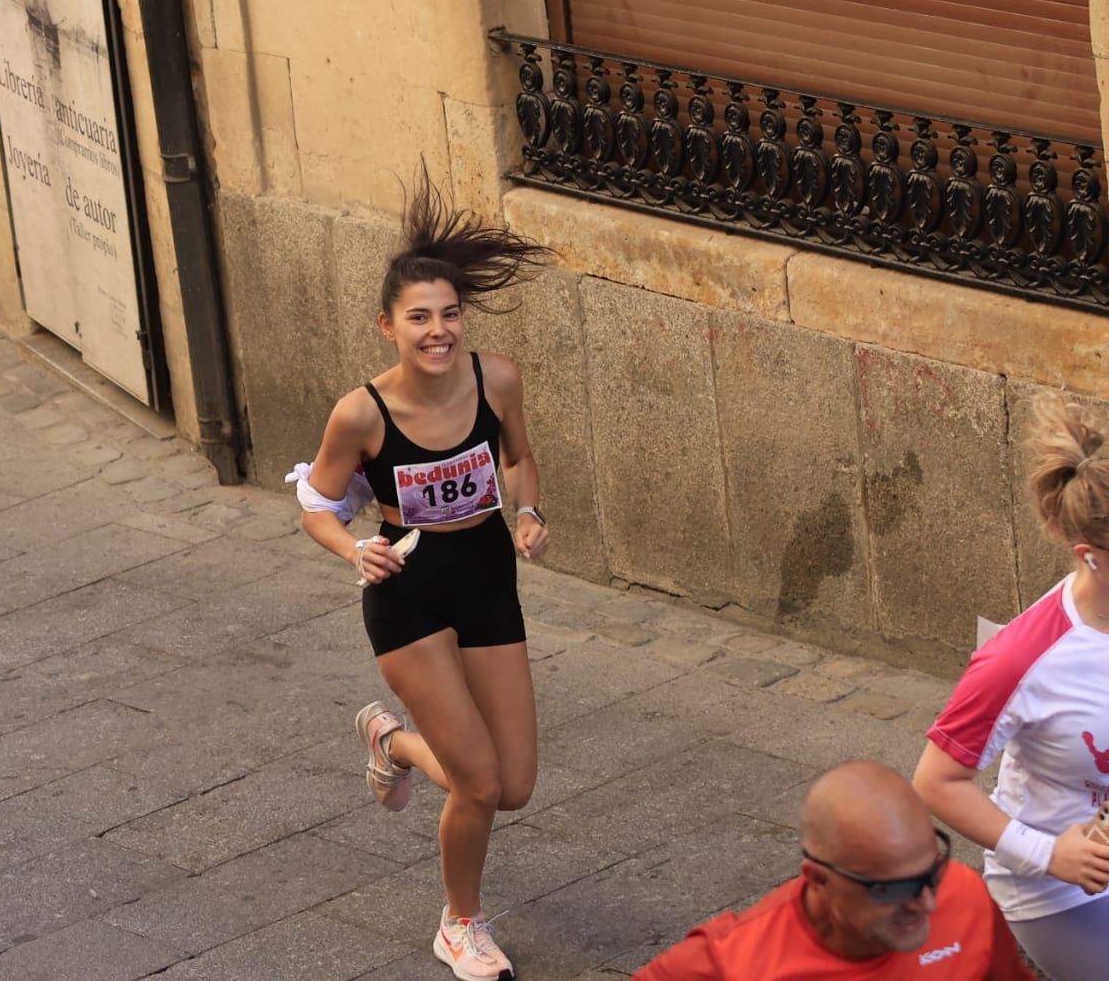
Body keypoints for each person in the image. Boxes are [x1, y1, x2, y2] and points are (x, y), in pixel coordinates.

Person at [298, 170, 551, 981]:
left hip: (484, 577)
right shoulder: (361, 413)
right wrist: (350, 550)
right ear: (388, 327)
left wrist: (530, 513)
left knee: (512, 785)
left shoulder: (497, 377)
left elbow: (518, 457)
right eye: (419, 319)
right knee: (476, 782)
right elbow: (316, 504)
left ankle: (394, 740)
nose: (438, 331)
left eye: (448, 314)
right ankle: (461, 925)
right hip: (407, 588)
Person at [914, 394, 1109, 981]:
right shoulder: (1022, 658)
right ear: (1091, 556)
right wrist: (1049, 854)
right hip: (1062, 888)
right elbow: (936, 780)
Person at [632, 761, 1034, 980]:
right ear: (818, 879)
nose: (927, 903)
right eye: (895, 888)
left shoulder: (965, 896)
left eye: (931, 873)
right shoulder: (731, 962)